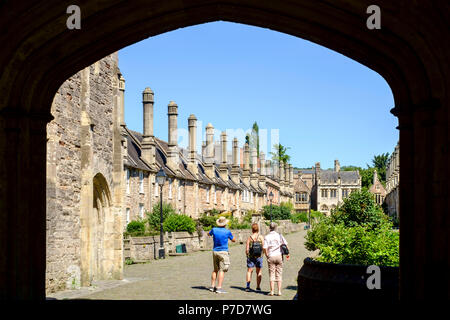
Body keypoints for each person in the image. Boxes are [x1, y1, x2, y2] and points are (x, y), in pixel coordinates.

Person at [207, 216, 236, 294]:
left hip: (215, 251)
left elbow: (208, 234)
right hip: (223, 252)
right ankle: (219, 287)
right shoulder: (227, 231)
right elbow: (233, 240)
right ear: (225, 224)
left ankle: (212, 286)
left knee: (215, 269)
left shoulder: (214, 230)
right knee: (222, 270)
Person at [263, 222, 289, 296]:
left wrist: (267, 255)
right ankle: (279, 291)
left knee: (272, 274)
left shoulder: (267, 237)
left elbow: (264, 248)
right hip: (279, 256)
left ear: (269, 228)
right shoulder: (280, 236)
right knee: (279, 273)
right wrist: (287, 254)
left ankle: (272, 291)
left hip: (271, 256)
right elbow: (286, 245)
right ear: (276, 228)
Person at [245, 223, 264, 292]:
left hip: (251, 256)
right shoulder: (261, 237)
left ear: (252, 229)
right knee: (258, 271)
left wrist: (247, 255)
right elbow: (264, 247)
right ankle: (258, 287)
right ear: (258, 229)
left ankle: (248, 286)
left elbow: (247, 249)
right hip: (259, 256)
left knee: (249, 271)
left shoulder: (249, 238)